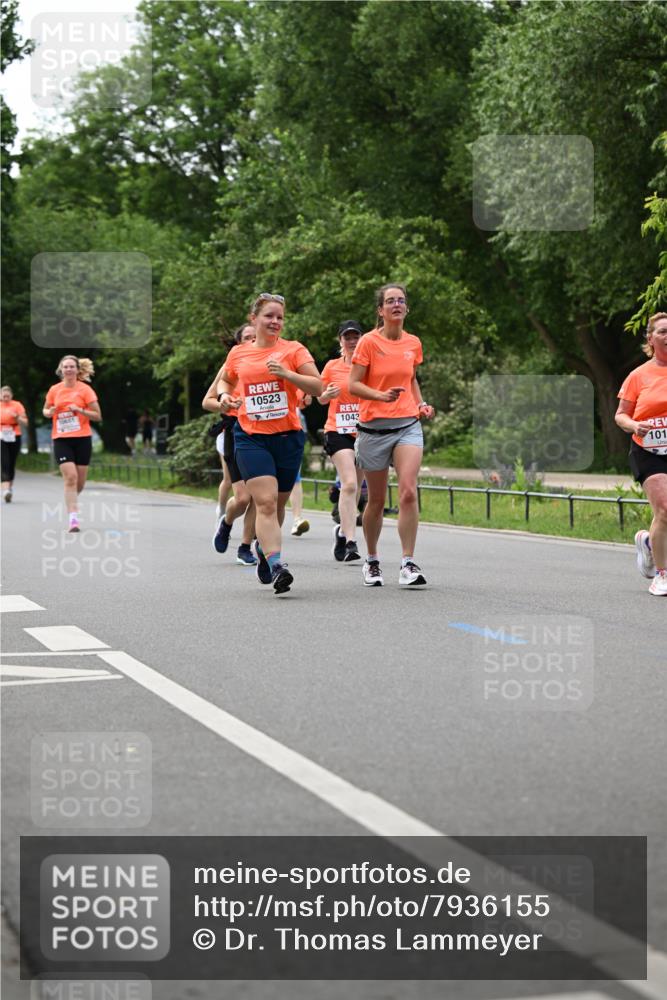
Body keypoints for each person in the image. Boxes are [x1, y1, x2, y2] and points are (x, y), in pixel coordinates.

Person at [216, 293, 322, 594]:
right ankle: (277, 565)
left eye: (279, 317)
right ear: (254, 319)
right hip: (250, 437)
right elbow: (225, 380)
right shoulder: (239, 353)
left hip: (287, 437)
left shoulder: (294, 349)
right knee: (263, 501)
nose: (275, 322)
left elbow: (318, 385)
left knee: (277, 505)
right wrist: (225, 396)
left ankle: (264, 551)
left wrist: (287, 373)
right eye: (269, 316)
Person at [349, 283, 435, 587]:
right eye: (390, 301)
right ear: (380, 310)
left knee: (408, 491)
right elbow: (353, 384)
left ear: (406, 308)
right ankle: (371, 561)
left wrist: (421, 403)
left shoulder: (413, 343)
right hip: (373, 429)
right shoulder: (369, 343)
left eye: (401, 300)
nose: (396, 304)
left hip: (407, 426)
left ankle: (408, 563)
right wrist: (380, 396)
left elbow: (410, 379)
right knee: (375, 501)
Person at [615, 311, 667, 596]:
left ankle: (649, 543)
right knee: (665, 508)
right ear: (651, 338)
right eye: (662, 331)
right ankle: (661, 575)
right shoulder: (639, 375)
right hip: (648, 449)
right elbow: (620, 416)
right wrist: (636, 424)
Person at [203, 324, 258, 566]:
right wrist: (224, 405)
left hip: (264, 433)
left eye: (255, 337)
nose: (252, 340)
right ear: (238, 344)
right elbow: (208, 401)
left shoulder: (272, 363)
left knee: (261, 495)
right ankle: (226, 522)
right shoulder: (230, 367)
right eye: (247, 337)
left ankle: (245, 547)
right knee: (244, 498)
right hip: (236, 432)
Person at [318, 320, 367, 562]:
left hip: (366, 432)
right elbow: (320, 398)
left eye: (356, 336)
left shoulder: (370, 367)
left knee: (355, 487)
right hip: (338, 431)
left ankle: (341, 530)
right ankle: (351, 542)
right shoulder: (331, 367)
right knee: (348, 484)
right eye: (347, 337)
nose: (352, 341)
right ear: (340, 341)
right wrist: (326, 394)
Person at [42, 356, 101, 532]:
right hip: (61, 439)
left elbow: (97, 415)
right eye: (65, 367)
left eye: (71, 367)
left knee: (79, 483)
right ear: (61, 369)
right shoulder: (54, 389)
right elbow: (45, 410)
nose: (68, 369)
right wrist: (49, 411)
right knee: (71, 478)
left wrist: (80, 410)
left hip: (82, 438)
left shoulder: (85, 390)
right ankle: (73, 519)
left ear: (77, 370)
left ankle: (71, 498)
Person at [289, 389, 311, 537]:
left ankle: (297, 519)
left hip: (291, 433)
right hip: (263, 434)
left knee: (294, 477)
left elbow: (303, 402)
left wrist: (306, 396)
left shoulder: (293, 374)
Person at [1, 386, 28, 502]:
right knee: (5, 462)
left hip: (15, 435)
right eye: (4, 396)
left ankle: (9, 489)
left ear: (11, 396)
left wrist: (17, 417)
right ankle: (5, 489)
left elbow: (25, 422)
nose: (6, 398)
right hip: (1, 436)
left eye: (8, 396)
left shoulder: (17, 405)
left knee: (11, 462)